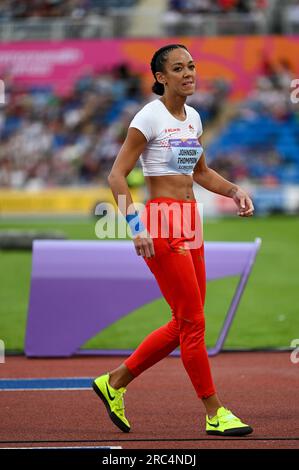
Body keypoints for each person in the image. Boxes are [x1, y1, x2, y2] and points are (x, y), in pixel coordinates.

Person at [93, 44, 254, 436]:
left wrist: (233, 190)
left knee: (183, 321)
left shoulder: (193, 118)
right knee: (193, 323)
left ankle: (114, 382)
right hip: (161, 225)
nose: (189, 73)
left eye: (192, 66)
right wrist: (135, 226)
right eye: (178, 68)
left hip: (190, 223)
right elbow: (117, 176)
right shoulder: (149, 116)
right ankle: (214, 412)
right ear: (161, 78)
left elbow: (199, 173)